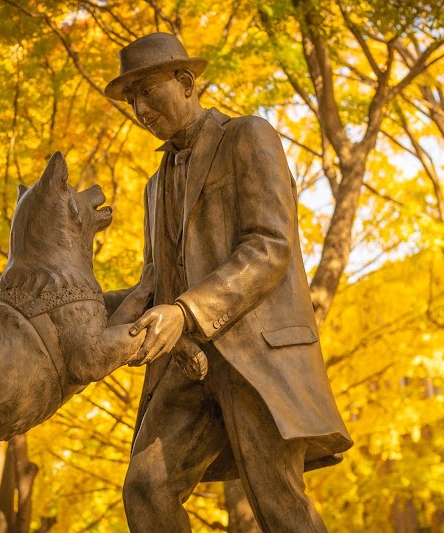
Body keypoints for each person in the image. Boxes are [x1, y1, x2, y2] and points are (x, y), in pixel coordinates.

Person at [103, 32, 353, 532]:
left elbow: (269, 245)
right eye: (131, 101)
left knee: (279, 507)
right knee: (146, 487)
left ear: (186, 81)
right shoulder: (154, 185)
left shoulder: (248, 136)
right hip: (187, 366)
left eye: (148, 92)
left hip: (255, 359)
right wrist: (72, 307)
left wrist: (187, 312)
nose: (139, 109)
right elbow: (154, 282)